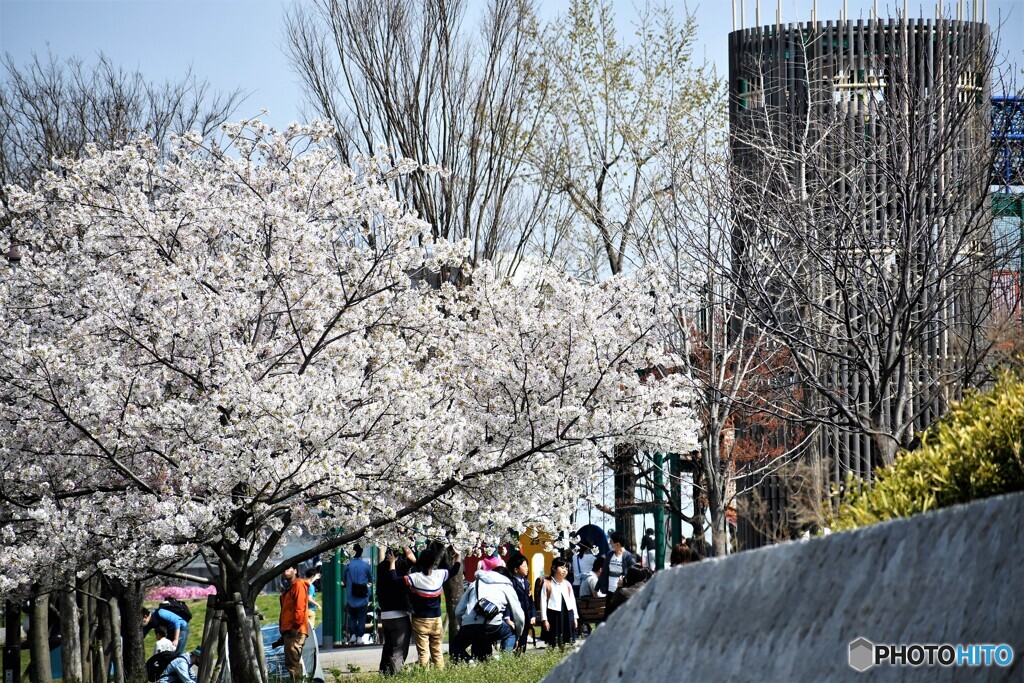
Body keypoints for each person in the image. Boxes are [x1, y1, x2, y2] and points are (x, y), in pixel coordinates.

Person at [391, 546, 461, 671]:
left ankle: (424, 675)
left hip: (420, 621)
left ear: (421, 562)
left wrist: (392, 563)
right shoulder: (440, 575)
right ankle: (440, 674)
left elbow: (394, 581)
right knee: (437, 650)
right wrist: (458, 556)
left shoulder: (415, 578)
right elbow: (455, 570)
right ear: (434, 562)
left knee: (423, 652)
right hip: (436, 621)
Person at [450, 565, 524, 662]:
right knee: (510, 634)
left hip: (469, 623)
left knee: (456, 647)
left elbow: (458, 611)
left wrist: (465, 626)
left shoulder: (475, 583)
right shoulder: (506, 585)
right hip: (493, 624)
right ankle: (505, 661)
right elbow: (519, 616)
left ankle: (470, 662)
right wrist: (518, 635)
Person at [377, 547, 415, 676]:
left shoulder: (380, 567)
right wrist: (405, 542)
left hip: (385, 615)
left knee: (388, 647)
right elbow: (412, 558)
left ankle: (384, 673)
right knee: (398, 649)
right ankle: (395, 675)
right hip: (398, 615)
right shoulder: (399, 565)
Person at [279, 564, 310, 682]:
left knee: (293, 664)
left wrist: (296, 626)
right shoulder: (289, 588)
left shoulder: (298, 585)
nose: (285, 571)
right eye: (283, 569)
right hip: (288, 629)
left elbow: (300, 607)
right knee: (292, 662)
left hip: (295, 630)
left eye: (288, 568)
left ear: (295, 571)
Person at [539, 558, 577, 648]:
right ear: (554, 568)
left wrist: (575, 617)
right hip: (554, 615)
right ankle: (551, 657)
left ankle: (561, 655)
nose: (565, 570)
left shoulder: (567, 584)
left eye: (566, 568)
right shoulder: (547, 584)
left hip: (567, 613)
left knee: (565, 640)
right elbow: (543, 602)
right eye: (562, 567)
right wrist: (544, 619)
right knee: (552, 640)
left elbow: (572, 601)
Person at [505, 552, 536, 653]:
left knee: (523, 639)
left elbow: (530, 601)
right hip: (516, 616)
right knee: (514, 639)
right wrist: (508, 617)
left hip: (526, 616)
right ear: (516, 569)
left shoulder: (526, 583)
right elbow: (508, 602)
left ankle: (521, 655)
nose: (527, 568)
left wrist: (533, 615)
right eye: (525, 566)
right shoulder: (511, 583)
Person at [342, 544, 373, 644]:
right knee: (362, 617)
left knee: (352, 617)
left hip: (351, 595)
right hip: (362, 595)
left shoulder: (348, 565)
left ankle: (353, 635)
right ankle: (360, 637)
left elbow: (344, 579)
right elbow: (371, 579)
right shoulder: (366, 565)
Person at [598, 531, 636, 598]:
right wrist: (596, 588)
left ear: (617, 544)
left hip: (622, 592)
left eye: (611, 541)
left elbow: (634, 573)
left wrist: (624, 581)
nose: (610, 543)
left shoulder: (628, 557)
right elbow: (604, 572)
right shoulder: (609, 555)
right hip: (610, 591)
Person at [305, 566, 322, 637]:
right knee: (310, 630)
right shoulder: (311, 587)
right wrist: (317, 604)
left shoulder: (304, 584)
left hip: (304, 609)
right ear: (312, 576)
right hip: (311, 610)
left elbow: (310, 581)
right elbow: (309, 599)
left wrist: (315, 577)